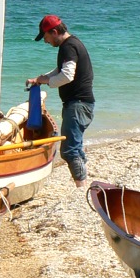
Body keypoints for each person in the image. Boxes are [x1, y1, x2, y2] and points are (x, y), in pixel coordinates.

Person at [26, 14, 95, 187]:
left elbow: (67, 75)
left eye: (46, 37)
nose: (46, 41)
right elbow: (60, 69)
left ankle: (81, 187)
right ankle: (83, 184)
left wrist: (48, 82)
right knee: (75, 146)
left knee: (69, 149)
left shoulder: (68, 47)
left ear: (54, 31)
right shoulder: (72, 43)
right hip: (81, 104)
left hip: (78, 105)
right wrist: (41, 78)